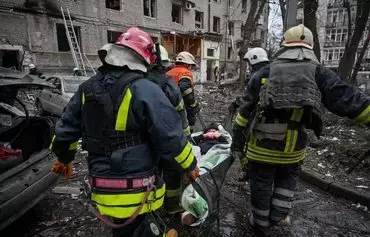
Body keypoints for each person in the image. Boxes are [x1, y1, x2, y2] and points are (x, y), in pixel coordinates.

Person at [49, 27, 200, 237]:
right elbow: (170, 135)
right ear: (146, 58)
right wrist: (190, 164)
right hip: (138, 190)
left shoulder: (87, 88)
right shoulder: (145, 89)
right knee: (139, 227)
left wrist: (64, 158)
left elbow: (65, 131)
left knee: (122, 228)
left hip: (101, 188)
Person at [231, 24, 370, 230]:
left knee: (261, 181)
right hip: (293, 148)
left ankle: (259, 221)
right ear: (310, 47)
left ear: (284, 45)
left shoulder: (265, 72)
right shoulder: (317, 72)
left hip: (261, 147)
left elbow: (244, 113)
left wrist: (238, 141)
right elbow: (346, 98)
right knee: (287, 179)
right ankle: (279, 216)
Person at [146, 44, 191, 214]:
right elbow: (181, 115)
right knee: (173, 172)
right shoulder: (169, 84)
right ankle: (172, 206)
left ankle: (151, 208)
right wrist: (185, 140)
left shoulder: (136, 83)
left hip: (145, 143)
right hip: (169, 140)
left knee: (151, 173)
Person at [229, 47, 270, 178]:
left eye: (248, 63)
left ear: (253, 60)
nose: (248, 66)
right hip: (272, 120)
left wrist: (238, 127)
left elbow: (250, 101)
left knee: (241, 142)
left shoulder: (256, 76)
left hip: (255, 118)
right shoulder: (274, 72)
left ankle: (247, 169)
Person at [166, 51, 200, 132]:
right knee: (188, 126)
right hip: (182, 106)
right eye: (191, 66)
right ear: (186, 64)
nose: (191, 68)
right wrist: (194, 105)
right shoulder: (185, 72)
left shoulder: (168, 72)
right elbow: (185, 90)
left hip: (168, 106)